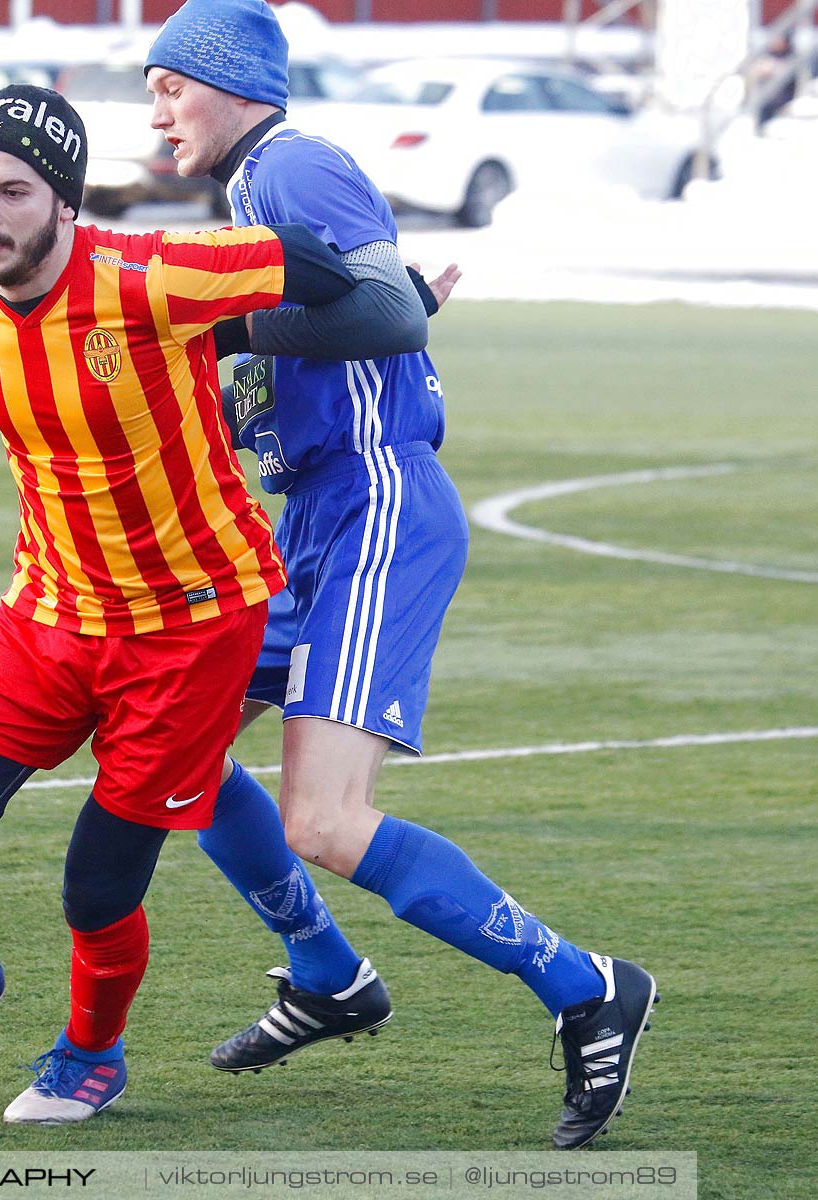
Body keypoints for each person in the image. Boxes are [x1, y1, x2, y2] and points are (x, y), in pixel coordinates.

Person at [144, 0, 658, 1150]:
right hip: (313, 520)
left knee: (324, 821)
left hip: (376, 511)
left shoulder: (293, 165)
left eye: (170, 81)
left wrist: (225, 335)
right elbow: (360, 320)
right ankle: (327, 974)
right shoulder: (250, 193)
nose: (157, 106)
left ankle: (587, 987)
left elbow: (380, 314)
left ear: (229, 83)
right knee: (166, 739)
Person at [0, 84, 396, 1126]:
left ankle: (91, 1058)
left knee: (97, 885)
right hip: (48, 612)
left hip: (190, 623)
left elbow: (319, 269)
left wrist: (273, 326)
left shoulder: (152, 271)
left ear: (63, 201)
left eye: (13, 191)